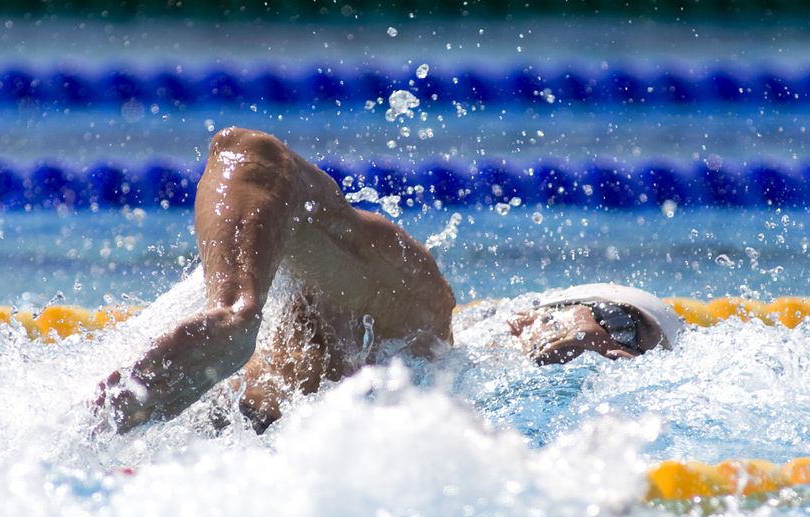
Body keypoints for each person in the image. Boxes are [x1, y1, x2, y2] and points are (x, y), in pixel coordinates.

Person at [95, 128, 682, 434]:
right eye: (620, 322)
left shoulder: (484, 427)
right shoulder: (416, 308)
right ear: (529, 314)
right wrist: (235, 309)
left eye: (637, 349)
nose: (615, 349)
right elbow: (251, 155)